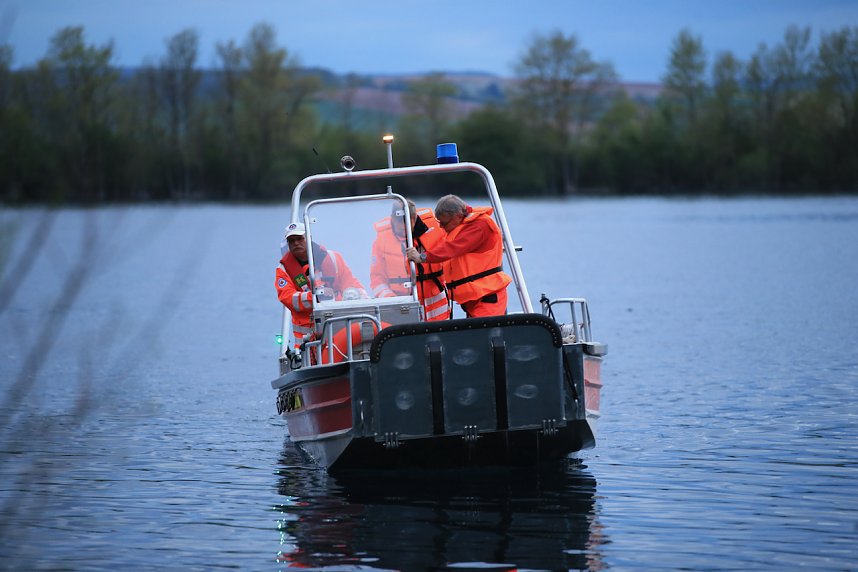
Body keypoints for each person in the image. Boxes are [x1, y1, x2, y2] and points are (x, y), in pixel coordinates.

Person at [406, 194, 512, 318]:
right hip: (475, 298)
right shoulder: (460, 226)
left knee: (485, 330)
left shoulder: (480, 225)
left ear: (458, 216)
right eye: (439, 222)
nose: (441, 227)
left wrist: (421, 257)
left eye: (444, 223)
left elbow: (452, 248)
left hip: (488, 297)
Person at [275, 222, 367, 348]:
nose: (296, 243)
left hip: (340, 325)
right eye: (292, 241)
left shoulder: (333, 258)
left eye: (300, 239)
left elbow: (351, 283)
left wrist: (361, 297)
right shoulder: (284, 270)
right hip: (308, 340)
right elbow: (287, 297)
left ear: (309, 238)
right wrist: (314, 297)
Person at [370, 199, 451, 321]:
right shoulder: (381, 241)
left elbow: (451, 253)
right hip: (402, 306)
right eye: (399, 224)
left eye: (406, 223)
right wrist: (391, 299)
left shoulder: (437, 229)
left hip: (436, 304)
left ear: (414, 218)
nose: (403, 228)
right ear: (392, 219)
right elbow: (377, 278)